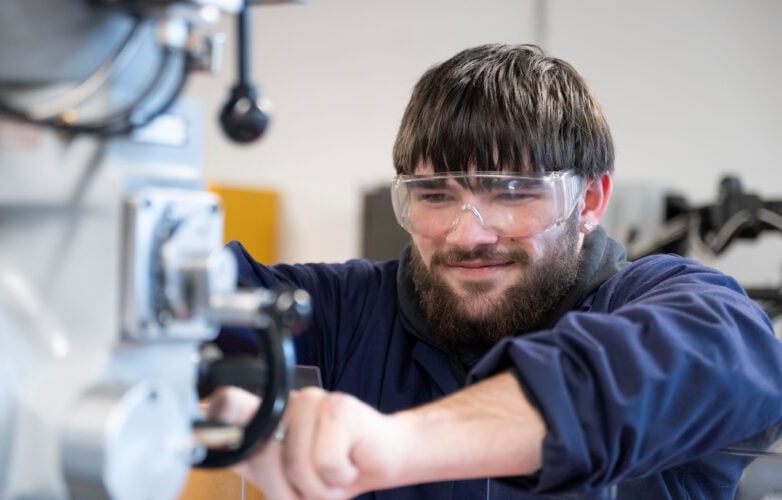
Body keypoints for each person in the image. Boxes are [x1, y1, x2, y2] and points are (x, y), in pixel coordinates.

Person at [212, 44, 782, 499]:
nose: (468, 234)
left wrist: (397, 443)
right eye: (434, 194)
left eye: (512, 192)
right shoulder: (349, 312)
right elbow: (169, 298)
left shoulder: (656, 301)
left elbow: (730, 351)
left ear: (589, 201)